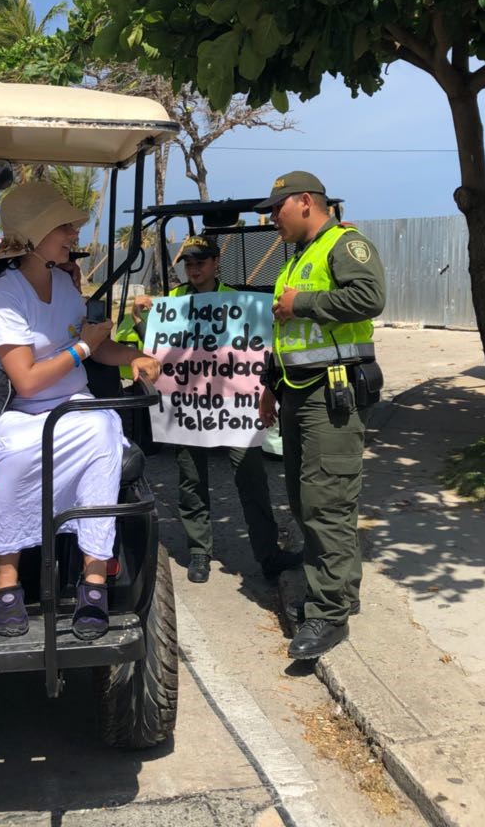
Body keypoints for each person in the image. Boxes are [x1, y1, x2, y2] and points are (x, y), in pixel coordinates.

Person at [0, 180, 160, 641]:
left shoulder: (63, 285)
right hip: (22, 409)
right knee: (14, 454)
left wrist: (131, 355)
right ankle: (7, 581)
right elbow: (29, 379)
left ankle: (93, 579)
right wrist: (82, 346)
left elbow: (97, 350)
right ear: (34, 235)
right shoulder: (3, 297)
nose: (74, 234)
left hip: (73, 406)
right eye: (64, 227)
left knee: (102, 434)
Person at [255, 172, 386, 660]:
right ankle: (340, 591)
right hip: (295, 392)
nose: (272, 219)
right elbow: (287, 334)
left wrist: (303, 303)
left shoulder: (343, 245)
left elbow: (370, 298)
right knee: (307, 497)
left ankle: (328, 614)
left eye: (277, 209)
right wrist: (270, 387)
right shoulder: (297, 258)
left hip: (332, 394)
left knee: (325, 502)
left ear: (306, 202)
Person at [124, 235, 301, 585]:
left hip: (235, 408)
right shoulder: (171, 302)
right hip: (188, 408)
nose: (194, 268)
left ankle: (268, 554)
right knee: (191, 481)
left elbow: (259, 348)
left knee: (252, 482)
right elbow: (152, 350)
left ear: (216, 262)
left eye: (200, 262)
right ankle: (199, 552)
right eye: (189, 263)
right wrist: (140, 317)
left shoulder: (238, 301)